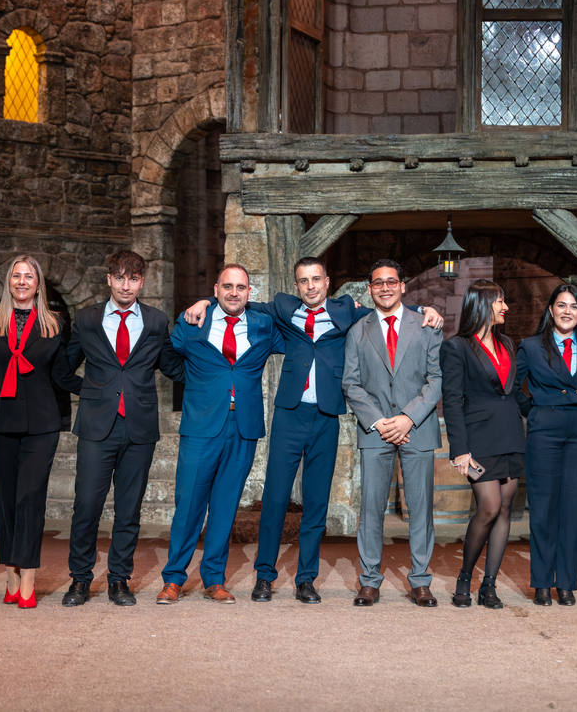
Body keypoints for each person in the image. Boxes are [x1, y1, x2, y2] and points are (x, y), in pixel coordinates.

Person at [182, 258, 442, 604]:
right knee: (275, 500)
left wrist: (424, 309)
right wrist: (205, 301)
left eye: (316, 279)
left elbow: (386, 307)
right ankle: (265, 576)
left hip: (326, 417)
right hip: (289, 415)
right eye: (303, 281)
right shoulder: (283, 307)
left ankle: (306, 579)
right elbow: (240, 302)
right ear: (296, 286)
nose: (310, 286)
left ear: (327, 281)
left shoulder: (346, 310)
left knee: (316, 503)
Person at [63, 250, 185, 607]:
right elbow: (64, 367)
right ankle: (80, 579)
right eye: (119, 278)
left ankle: (119, 579)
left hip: (139, 428)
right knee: (86, 505)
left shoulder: (156, 321)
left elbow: (172, 366)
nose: (125, 285)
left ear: (141, 282)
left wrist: (214, 371)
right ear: (109, 279)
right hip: (96, 426)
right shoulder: (87, 319)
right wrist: (91, 391)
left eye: (132, 279)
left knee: (129, 509)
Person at [157, 264, 285, 604]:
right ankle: (174, 579)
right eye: (227, 286)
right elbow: (167, 355)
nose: (233, 292)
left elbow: (289, 317)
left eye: (240, 287)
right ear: (215, 289)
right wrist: (195, 382)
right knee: (189, 505)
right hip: (201, 425)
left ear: (249, 292)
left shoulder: (263, 325)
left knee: (226, 507)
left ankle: (214, 579)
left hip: (242, 427)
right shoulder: (194, 322)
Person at [342, 259, 443, 608]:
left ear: (402, 286)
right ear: (370, 289)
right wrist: (380, 421)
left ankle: (420, 581)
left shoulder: (426, 326)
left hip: (418, 428)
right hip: (376, 431)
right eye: (378, 282)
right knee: (371, 508)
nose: (384, 287)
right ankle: (369, 581)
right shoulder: (358, 331)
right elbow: (351, 384)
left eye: (391, 281)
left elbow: (435, 380)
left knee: (420, 508)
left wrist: (407, 419)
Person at [0, 255, 82, 609]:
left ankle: (27, 577)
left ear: (38, 284)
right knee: (5, 500)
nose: (22, 281)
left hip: (41, 426)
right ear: (8, 282)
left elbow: (62, 374)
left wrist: (100, 389)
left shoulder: (54, 323)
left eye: (29, 276)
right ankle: (11, 574)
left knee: (30, 499)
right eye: (16, 275)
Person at [514, 283, 577, 607]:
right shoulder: (530, 346)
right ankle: (542, 582)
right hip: (545, 432)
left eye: (574, 306)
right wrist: (535, 410)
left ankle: (566, 583)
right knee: (543, 509)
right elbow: (512, 388)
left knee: (573, 509)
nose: (567, 311)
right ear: (551, 309)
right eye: (562, 305)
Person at [440, 280, 525, 609]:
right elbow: (452, 401)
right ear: (482, 304)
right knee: (489, 507)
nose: (505, 307)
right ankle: (465, 576)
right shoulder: (456, 346)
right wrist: (460, 451)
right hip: (479, 440)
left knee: (504, 509)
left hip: (511, 434)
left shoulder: (508, 343)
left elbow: (511, 392)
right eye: (500, 301)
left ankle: (489, 585)